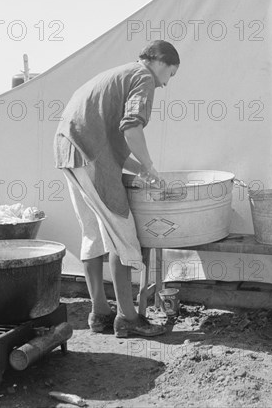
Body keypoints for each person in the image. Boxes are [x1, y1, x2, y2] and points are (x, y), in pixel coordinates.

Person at [54, 40, 180, 336]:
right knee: (122, 234)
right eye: (171, 74)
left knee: (93, 233)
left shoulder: (118, 75)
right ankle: (128, 319)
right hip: (88, 153)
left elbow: (118, 141)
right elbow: (131, 126)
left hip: (68, 149)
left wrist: (143, 170)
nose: (166, 84)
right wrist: (149, 166)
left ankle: (99, 314)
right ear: (161, 62)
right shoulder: (144, 77)